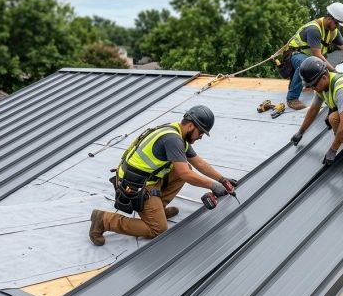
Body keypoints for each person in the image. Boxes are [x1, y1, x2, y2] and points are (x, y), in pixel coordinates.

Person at [89, 105, 236, 245]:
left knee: (185, 168)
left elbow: (199, 163)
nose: (201, 137)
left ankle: (157, 209)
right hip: (135, 185)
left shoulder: (176, 133)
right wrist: (212, 185)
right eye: (201, 132)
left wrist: (222, 179)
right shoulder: (173, 140)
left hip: (147, 179)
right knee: (158, 229)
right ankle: (104, 220)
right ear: (191, 126)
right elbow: (185, 174)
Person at [284, 2, 343, 111]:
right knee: (307, 64)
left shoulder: (333, 32)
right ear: (329, 18)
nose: (337, 26)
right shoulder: (314, 29)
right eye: (336, 23)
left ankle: (309, 85)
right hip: (294, 55)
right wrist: (334, 71)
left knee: (321, 69)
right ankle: (292, 98)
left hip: (311, 58)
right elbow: (317, 55)